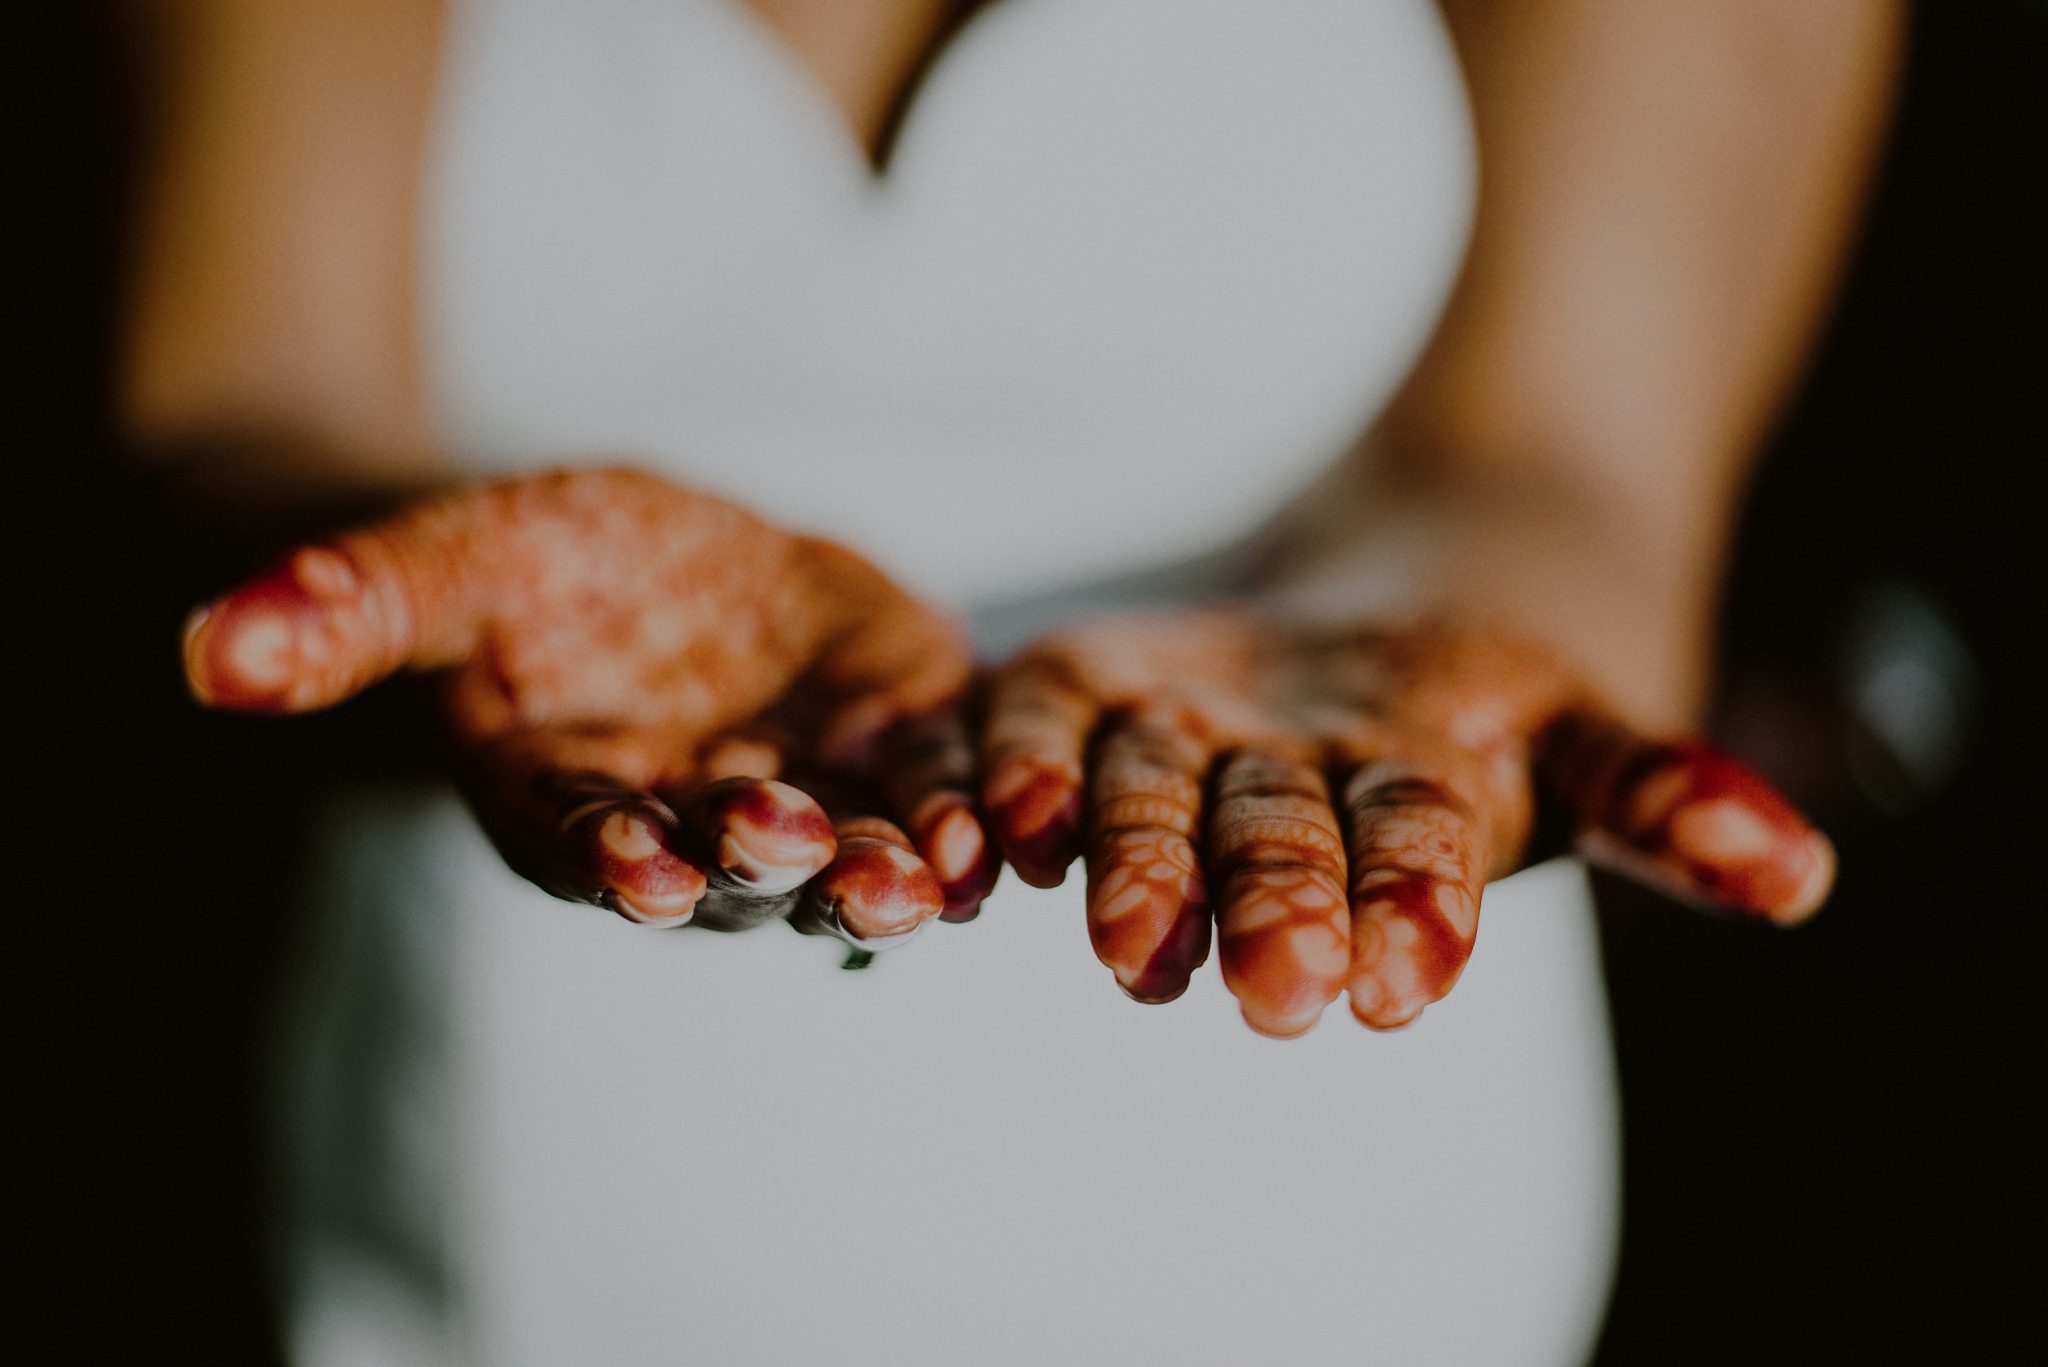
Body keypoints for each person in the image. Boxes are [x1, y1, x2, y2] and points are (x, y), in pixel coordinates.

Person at [124, 0, 1899, 1361]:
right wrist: (427, 581)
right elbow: (232, 404)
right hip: (522, 1194)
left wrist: (1393, 677)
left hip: (1319, 1173)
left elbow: (1576, 458)